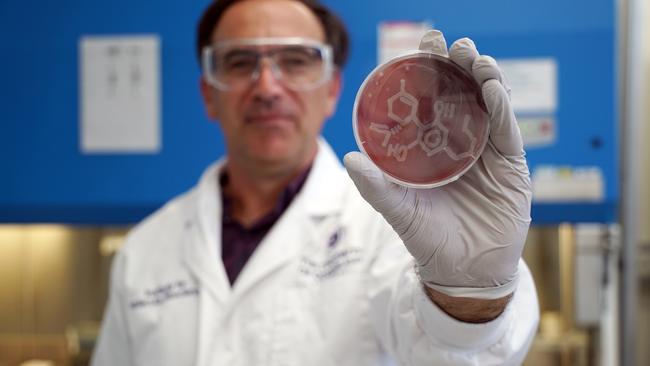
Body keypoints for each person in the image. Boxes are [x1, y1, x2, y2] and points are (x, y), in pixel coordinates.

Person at [91, 0, 539, 364]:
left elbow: (453, 355)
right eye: (239, 61)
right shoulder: (145, 251)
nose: (267, 86)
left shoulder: (392, 231)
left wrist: (469, 293)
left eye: (297, 60)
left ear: (332, 90)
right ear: (209, 93)